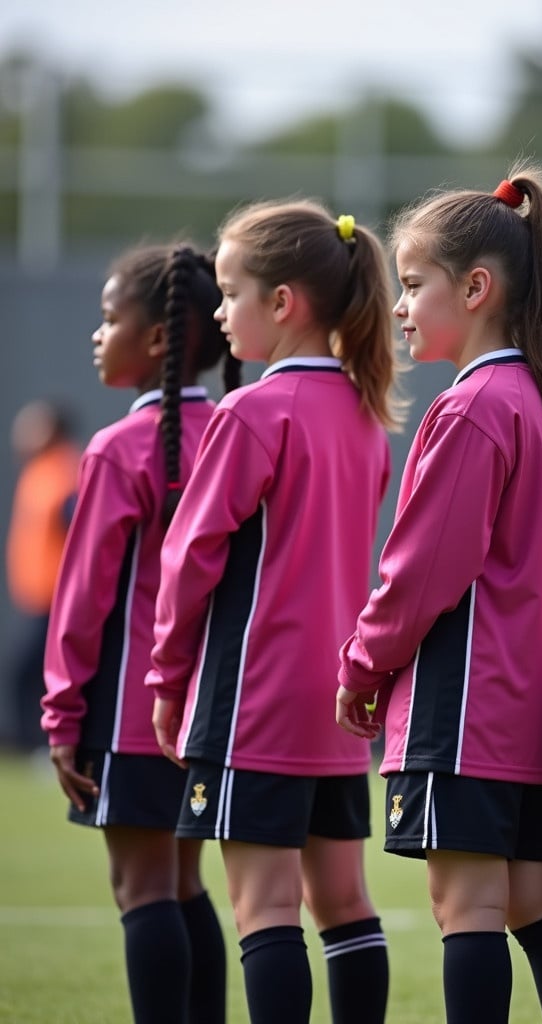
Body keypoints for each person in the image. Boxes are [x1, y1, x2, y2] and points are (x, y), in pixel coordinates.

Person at [336, 165, 542, 1024]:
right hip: (527, 711)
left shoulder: (475, 406)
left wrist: (364, 664)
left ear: (477, 287)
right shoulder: (536, 397)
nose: (402, 306)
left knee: (470, 911)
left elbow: (421, 569)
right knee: (534, 902)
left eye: (413, 285)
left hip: (468, 711)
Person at [147, 199, 402, 1024]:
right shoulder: (366, 419)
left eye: (230, 292)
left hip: (252, 702)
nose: (219, 312)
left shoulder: (251, 411)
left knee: (263, 907)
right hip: (334, 707)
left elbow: (189, 560)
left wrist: (165, 677)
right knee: (345, 902)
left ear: (283, 302)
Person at [41, 243, 239, 1024]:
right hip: (205, 712)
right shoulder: (229, 428)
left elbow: (82, 599)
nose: (98, 333)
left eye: (109, 317)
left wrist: (60, 716)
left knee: (142, 890)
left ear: (158, 340)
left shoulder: (118, 449)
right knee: (186, 885)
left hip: (129, 713)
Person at [5, 399, 80, 751]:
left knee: (32, 673)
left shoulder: (64, 472)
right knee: (31, 673)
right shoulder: (40, 471)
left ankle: (40, 744)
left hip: (57, 598)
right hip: (38, 597)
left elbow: (80, 533)